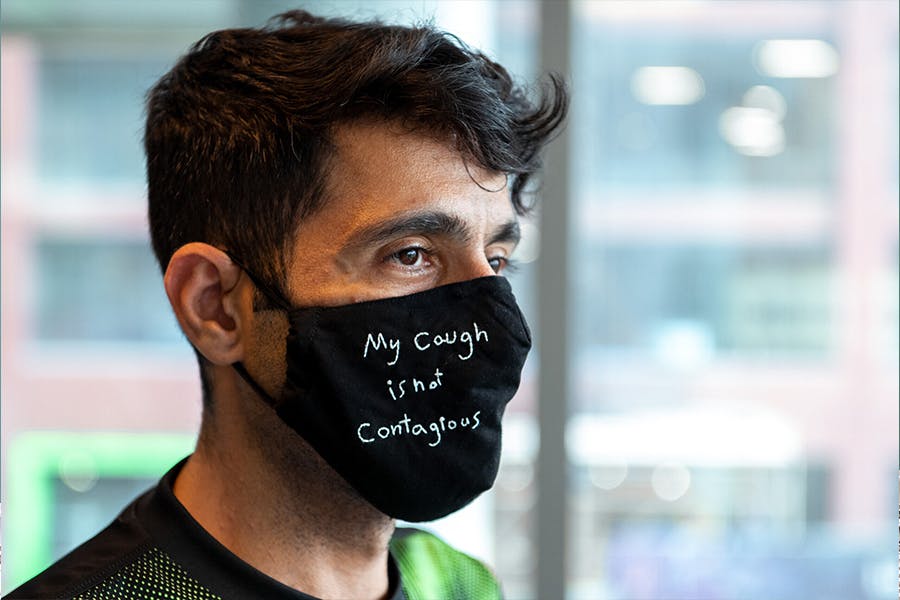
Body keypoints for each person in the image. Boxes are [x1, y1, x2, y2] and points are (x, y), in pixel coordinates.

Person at [6, 9, 566, 600]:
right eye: (410, 255)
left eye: (497, 259)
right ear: (216, 306)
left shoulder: (456, 583)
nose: (490, 320)